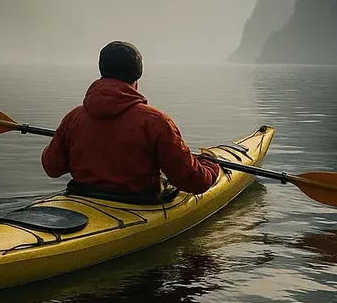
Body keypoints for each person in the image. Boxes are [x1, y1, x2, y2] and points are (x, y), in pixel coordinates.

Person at [41, 41, 221, 200]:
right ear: (137, 77)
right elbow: (194, 182)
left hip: (83, 196)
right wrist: (211, 165)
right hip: (139, 202)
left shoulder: (73, 117)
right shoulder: (156, 122)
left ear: (102, 70)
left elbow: (52, 168)